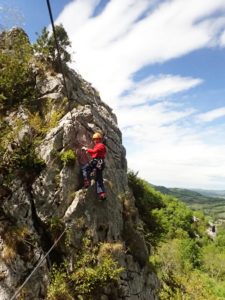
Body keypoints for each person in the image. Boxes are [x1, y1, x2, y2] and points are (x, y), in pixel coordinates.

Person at [81, 132, 107, 200]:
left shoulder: (100, 145)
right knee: (99, 178)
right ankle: (102, 194)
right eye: (94, 139)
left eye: (96, 139)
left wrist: (86, 149)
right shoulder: (101, 146)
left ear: (99, 139)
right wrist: (89, 151)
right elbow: (94, 154)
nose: (95, 141)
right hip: (100, 163)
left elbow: (94, 151)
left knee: (85, 168)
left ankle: (87, 181)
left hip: (97, 162)